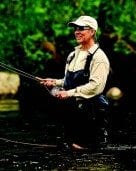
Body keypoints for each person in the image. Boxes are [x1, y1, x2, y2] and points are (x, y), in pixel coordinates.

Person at [37, 15, 110, 150]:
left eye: (81, 28)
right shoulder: (72, 55)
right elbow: (69, 81)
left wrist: (69, 93)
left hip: (92, 116)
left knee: (91, 158)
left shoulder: (99, 57)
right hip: (73, 115)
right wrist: (55, 82)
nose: (77, 31)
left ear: (92, 31)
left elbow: (96, 87)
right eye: (75, 28)